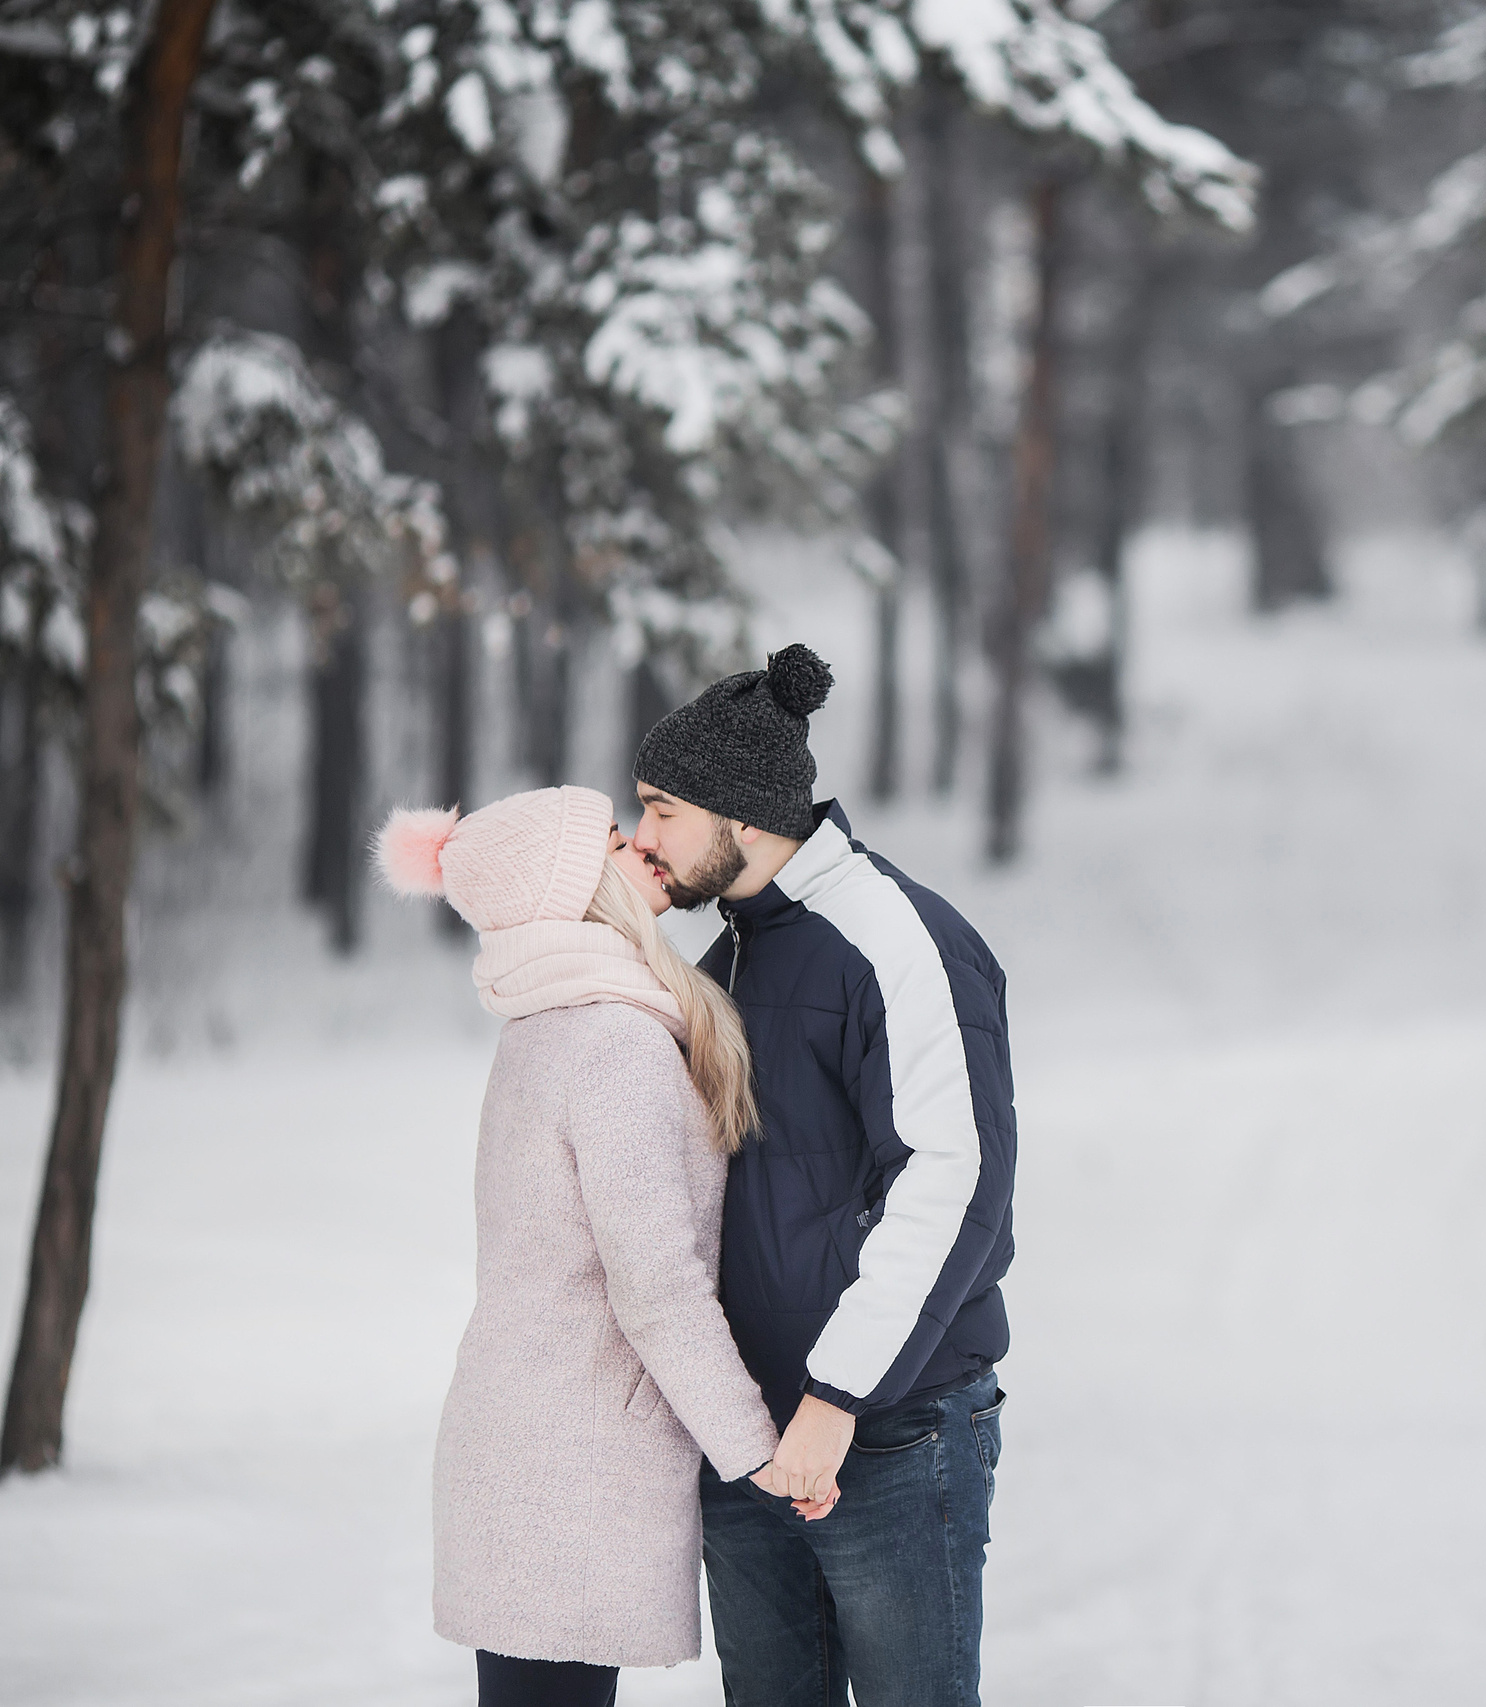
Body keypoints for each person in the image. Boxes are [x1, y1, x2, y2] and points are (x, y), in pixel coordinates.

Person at [375, 785, 826, 1707]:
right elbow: (655, 1284)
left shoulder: (549, 1026)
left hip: (532, 1457)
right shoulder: (613, 1041)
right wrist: (757, 1450)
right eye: (617, 842)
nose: (644, 851)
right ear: (578, 890)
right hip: (563, 1479)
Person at [628, 644, 1018, 1707]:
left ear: (743, 817)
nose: (640, 836)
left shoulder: (896, 940)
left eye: (661, 810)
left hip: (885, 1436)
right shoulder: (733, 956)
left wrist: (836, 1398)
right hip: (750, 1438)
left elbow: (955, 1178)